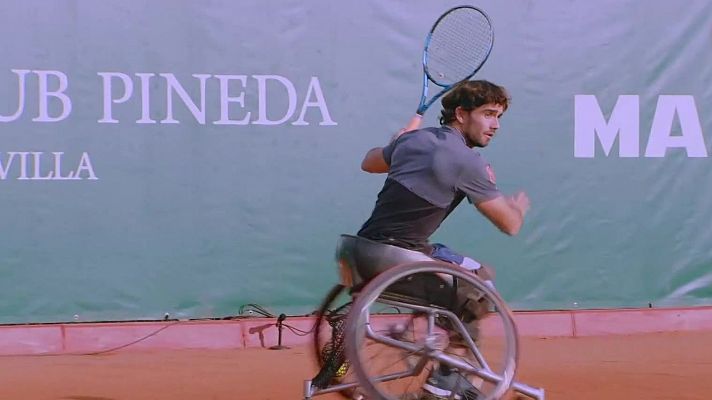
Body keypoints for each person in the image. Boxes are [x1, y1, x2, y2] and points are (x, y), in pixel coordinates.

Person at [357, 79, 530, 399]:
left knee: (474, 272)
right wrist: (517, 209)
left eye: (499, 117)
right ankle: (446, 379)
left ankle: (444, 361)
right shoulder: (467, 162)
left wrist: (397, 143)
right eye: (488, 114)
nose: (495, 125)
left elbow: (369, 162)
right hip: (400, 260)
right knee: (479, 291)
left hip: (362, 252)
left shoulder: (413, 141)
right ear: (461, 114)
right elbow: (510, 226)